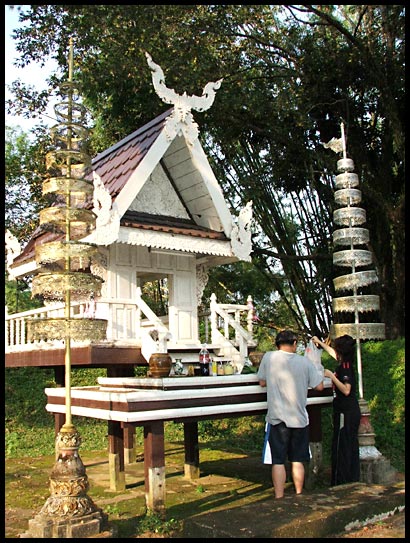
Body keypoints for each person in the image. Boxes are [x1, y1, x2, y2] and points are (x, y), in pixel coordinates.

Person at [257, 330, 324, 498]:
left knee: (278, 460)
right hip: (299, 418)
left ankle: (279, 496)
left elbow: (262, 381)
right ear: (294, 343)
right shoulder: (305, 362)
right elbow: (319, 386)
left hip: (277, 418)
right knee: (297, 459)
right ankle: (299, 493)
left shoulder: (269, 357)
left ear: (277, 344)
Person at [312, 334, 361, 486]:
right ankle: (351, 478)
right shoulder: (346, 362)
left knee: (342, 446)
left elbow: (346, 390)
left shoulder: (345, 368)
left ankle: (342, 481)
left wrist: (331, 377)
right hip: (349, 411)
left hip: (345, 412)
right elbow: (334, 354)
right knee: (349, 444)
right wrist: (320, 343)